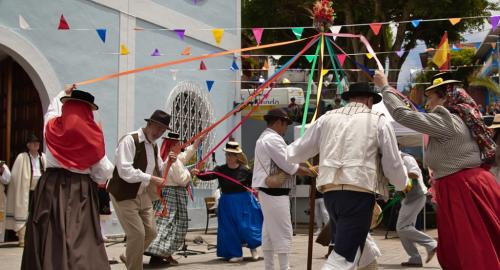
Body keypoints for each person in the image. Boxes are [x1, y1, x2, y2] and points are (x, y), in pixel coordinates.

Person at [375, 70, 500, 269]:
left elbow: (402, 115)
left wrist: (384, 87)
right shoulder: (460, 120)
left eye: (431, 97)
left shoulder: (447, 121)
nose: (427, 104)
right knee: (477, 241)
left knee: (472, 246)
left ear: (445, 98)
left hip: (463, 188)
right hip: (468, 185)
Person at [286, 82, 408, 270]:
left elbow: (296, 152)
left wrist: (280, 153)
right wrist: (402, 183)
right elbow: (392, 163)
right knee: (342, 257)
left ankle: (369, 265)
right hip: (358, 193)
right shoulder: (378, 119)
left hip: (331, 194)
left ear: (350, 98)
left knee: (360, 248)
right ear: (369, 100)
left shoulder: (327, 118)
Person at [21, 86, 115, 270]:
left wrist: (62, 93)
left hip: (49, 188)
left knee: (49, 233)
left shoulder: (51, 127)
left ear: (66, 109)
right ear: (88, 112)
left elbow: (51, 110)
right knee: (79, 238)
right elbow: (102, 173)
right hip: (80, 191)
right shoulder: (94, 139)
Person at [107, 109, 173, 270]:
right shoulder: (130, 140)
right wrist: (150, 178)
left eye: (163, 130)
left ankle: (130, 256)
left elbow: (157, 168)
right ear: (149, 123)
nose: (159, 133)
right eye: (157, 128)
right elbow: (124, 171)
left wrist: (169, 162)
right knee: (137, 234)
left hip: (142, 193)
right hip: (123, 193)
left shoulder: (154, 146)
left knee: (151, 233)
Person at [252, 108, 314, 270]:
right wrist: (309, 171)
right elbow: (288, 163)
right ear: (279, 122)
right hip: (274, 192)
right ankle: (284, 267)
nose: (285, 128)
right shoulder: (273, 139)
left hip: (269, 191)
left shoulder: (266, 137)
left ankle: (270, 267)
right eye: (285, 124)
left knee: (269, 233)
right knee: (283, 231)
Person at [194, 141, 263, 262]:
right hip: (226, 202)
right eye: (227, 154)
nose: (229, 157)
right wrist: (198, 174)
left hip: (243, 202)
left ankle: (253, 248)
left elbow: (254, 184)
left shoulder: (245, 170)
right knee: (229, 228)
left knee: (246, 227)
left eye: (231, 155)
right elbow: (208, 176)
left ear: (237, 157)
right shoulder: (220, 169)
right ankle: (235, 253)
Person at [144, 131, 202, 266]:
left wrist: (196, 143)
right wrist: (190, 172)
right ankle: (158, 255)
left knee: (168, 225)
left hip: (169, 195)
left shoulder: (172, 158)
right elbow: (181, 180)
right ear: (172, 145)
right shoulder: (171, 161)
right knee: (169, 225)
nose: (179, 146)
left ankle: (164, 254)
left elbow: (184, 156)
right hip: (172, 196)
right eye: (176, 144)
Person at [397, 152, 437, 267]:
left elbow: (414, 173)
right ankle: (415, 258)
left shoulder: (406, 158)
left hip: (416, 196)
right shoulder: (395, 159)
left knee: (402, 227)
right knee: (406, 228)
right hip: (410, 197)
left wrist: (399, 176)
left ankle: (432, 244)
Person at [5, 134, 46, 247]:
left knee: (38, 213)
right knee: (24, 212)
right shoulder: (22, 157)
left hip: (39, 191)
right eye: (33, 143)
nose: (36, 144)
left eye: (37, 143)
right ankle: (22, 239)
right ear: (28, 145)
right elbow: (15, 176)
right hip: (26, 190)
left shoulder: (42, 157)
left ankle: (37, 238)